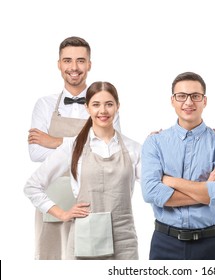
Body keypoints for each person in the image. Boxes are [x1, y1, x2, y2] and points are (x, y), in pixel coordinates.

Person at [27, 36, 121, 260]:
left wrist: (55, 141)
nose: (74, 67)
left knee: (91, 261)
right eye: (67, 60)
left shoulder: (105, 104)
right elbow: (35, 153)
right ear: (59, 64)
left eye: (80, 60)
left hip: (93, 198)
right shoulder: (44, 104)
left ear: (89, 64)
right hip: (54, 198)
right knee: (50, 259)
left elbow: (110, 150)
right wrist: (85, 142)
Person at [24, 81, 140, 260]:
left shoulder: (134, 149)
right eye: (96, 104)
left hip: (124, 239)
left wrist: (158, 147)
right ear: (87, 108)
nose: (103, 111)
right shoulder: (72, 146)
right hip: (86, 237)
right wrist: (62, 213)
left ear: (118, 106)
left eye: (109, 104)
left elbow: (154, 184)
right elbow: (32, 186)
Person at [141, 71, 215, 260]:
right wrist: (204, 191)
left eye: (195, 96)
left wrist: (170, 181)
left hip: (210, 245)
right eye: (182, 96)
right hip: (164, 244)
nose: (188, 102)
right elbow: (151, 192)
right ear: (172, 100)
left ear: (204, 101)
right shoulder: (155, 142)